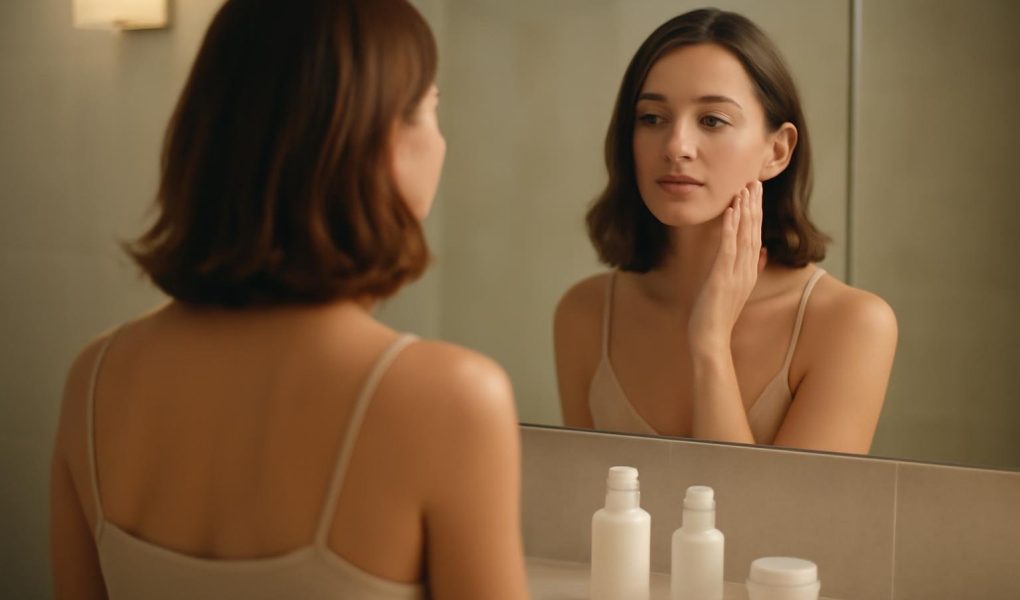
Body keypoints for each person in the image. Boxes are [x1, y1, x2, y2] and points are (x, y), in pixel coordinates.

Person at [49, 1, 529, 598]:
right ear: (374, 140)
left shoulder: (94, 378)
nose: (441, 143)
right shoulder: (450, 398)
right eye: (431, 109)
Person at [554, 8, 897, 454]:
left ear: (777, 150)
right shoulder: (585, 314)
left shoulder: (850, 326)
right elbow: (578, 507)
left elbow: (780, 523)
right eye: (652, 118)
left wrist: (710, 343)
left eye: (712, 120)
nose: (676, 146)